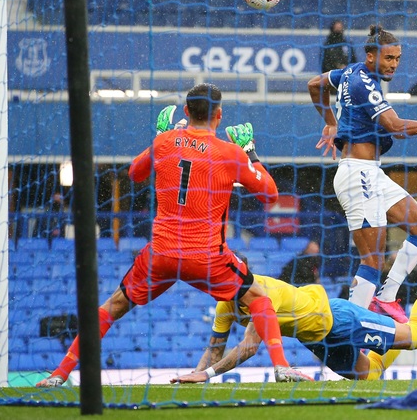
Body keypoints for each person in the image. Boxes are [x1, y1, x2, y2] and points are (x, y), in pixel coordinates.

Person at [36, 84, 312, 387]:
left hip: (162, 254)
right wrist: (250, 152)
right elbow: (270, 195)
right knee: (260, 299)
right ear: (219, 115)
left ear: (185, 112)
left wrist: (158, 137)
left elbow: (134, 174)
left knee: (112, 306)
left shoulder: (165, 141)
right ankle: (282, 367)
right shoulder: (229, 153)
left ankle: (59, 374)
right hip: (206, 257)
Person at [307, 24, 417, 325]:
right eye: (388, 58)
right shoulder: (363, 84)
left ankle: (386, 297)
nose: (394, 65)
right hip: (357, 175)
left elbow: (315, 84)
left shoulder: (347, 73)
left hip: (373, 174)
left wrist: (331, 124)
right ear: (370, 57)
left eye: (397, 59)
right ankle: (349, 330)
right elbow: (396, 127)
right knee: (372, 259)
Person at [169, 254, 417, 383]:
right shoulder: (227, 302)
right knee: (369, 376)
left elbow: (249, 348)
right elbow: (215, 346)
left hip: (338, 319)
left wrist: (208, 374)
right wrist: (195, 374)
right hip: (314, 338)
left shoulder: (262, 295)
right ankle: (415, 321)